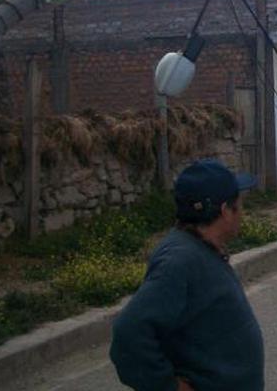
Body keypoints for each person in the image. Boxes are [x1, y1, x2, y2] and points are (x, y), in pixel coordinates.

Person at [110, 159, 263, 391]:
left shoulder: (201, 247)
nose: (243, 211)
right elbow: (129, 335)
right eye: (239, 205)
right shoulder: (179, 261)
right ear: (225, 211)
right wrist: (169, 387)